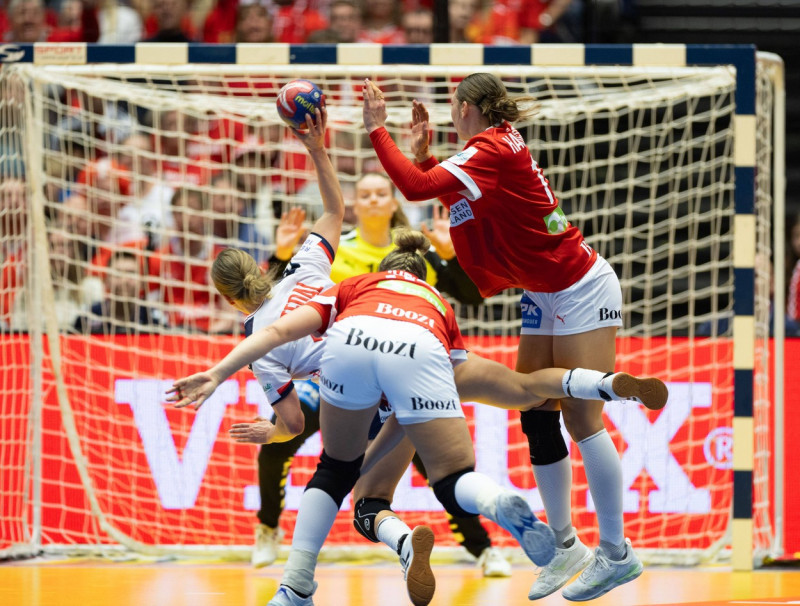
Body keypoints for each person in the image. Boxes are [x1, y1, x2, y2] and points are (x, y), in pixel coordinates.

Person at [168, 228, 667, 606]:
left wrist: (218, 376)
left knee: (345, 480)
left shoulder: (351, 286)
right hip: (423, 358)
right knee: (517, 398)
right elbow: (334, 211)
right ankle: (593, 388)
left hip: (352, 367)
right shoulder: (431, 299)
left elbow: (277, 350)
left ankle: (306, 582)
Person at [362, 73, 644, 601]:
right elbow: (447, 190)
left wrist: (379, 131)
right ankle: (565, 549)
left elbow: (417, 190)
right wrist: (424, 158)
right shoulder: (487, 150)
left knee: (581, 416)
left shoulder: (488, 148)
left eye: (452, 106)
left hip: (579, 283)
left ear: (468, 107)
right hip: (542, 290)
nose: (450, 115)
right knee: (536, 406)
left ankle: (616, 553)